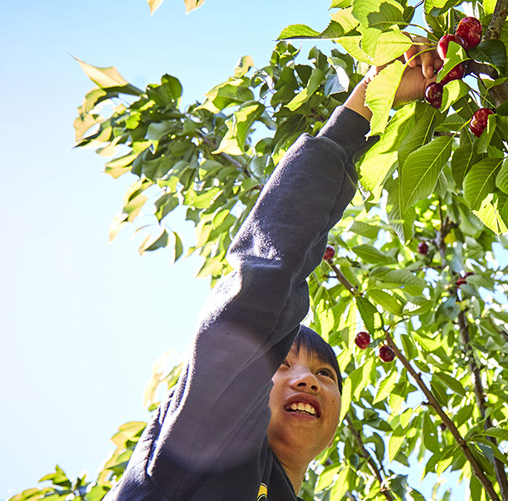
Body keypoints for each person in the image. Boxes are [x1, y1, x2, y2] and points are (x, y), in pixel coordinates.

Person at [104, 42, 442, 500]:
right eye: (282, 364)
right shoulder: (204, 449)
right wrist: (364, 106)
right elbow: (260, 292)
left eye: (325, 376)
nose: (307, 379)